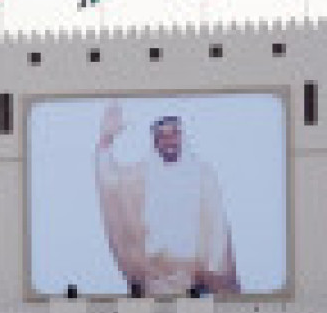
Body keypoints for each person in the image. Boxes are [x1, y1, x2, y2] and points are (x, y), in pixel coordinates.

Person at [95, 106, 239, 296]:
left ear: (182, 137)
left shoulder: (203, 174)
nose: (168, 140)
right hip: (155, 279)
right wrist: (106, 140)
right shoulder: (142, 175)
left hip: (195, 280)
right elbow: (111, 182)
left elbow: (217, 228)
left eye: (174, 133)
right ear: (154, 142)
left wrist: (211, 273)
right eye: (161, 136)